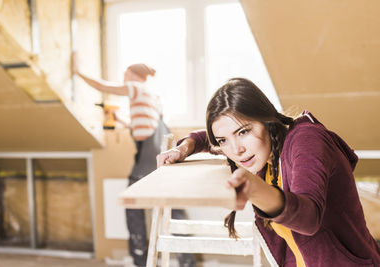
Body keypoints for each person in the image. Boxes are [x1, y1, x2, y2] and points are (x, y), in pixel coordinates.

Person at [157, 77, 380, 266]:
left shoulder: (306, 140)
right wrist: (184, 147)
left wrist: (256, 190)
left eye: (244, 132)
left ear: (267, 120)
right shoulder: (266, 148)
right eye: (224, 141)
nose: (236, 150)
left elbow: (308, 218)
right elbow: (211, 136)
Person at [73, 59, 196, 267]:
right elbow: (142, 128)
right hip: (161, 155)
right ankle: (188, 261)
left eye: (125, 74)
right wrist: (120, 121)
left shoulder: (136, 88)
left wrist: (78, 72)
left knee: (132, 204)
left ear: (133, 75)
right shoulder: (153, 97)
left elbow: (102, 86)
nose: (123, 78)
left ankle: (140, 259)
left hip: (148, 157)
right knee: (170, 206)